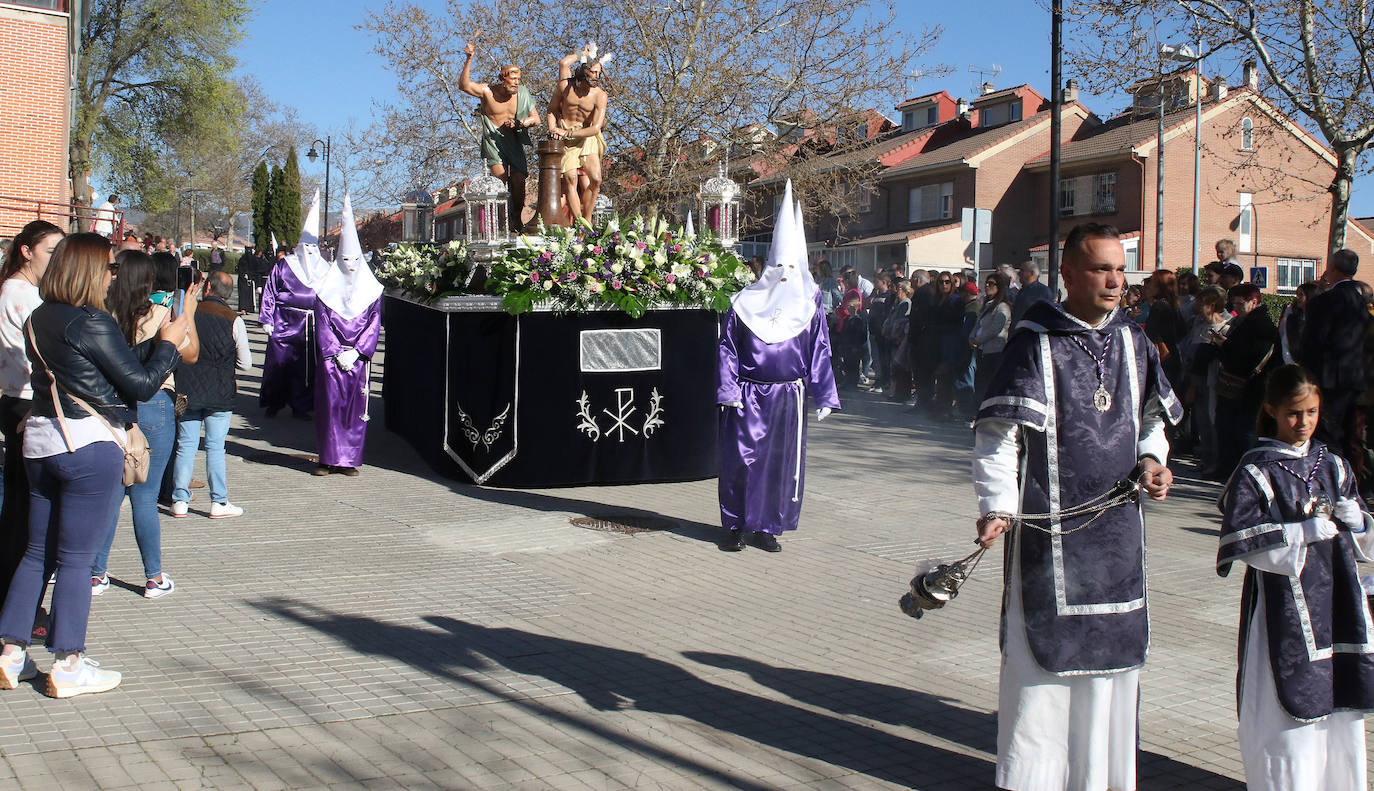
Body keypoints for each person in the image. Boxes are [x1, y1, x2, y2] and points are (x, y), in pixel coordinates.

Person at [972, 222, 1182, 790]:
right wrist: (998, 503)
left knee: (1111, 675)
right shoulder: (1036, 340)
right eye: (1100, 269)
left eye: (1119, 269)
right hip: (1050, 535)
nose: (1115, 280)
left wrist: (1152, 460)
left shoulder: (1135, 341)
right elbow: (999, 434)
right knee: (1041, 677)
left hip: (1118, 538)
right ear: (1067, 273)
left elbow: (1155, 419)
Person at [0, 233, 188, 697]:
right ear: (87, 270)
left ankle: (10, 652)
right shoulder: (91, 320)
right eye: (108, 268)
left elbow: (107, 371)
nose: (112, 276)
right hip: (86, 442)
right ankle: (68, 663)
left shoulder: (39, 316)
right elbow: (142, 385)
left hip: (42, 439)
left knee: (37, 551)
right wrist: (168, 343)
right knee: (77, 558)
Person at [1216, 363, 1374, 790]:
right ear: (1271, 410)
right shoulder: (1257, 469)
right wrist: (1298, 531)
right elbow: (1240, 536)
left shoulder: (1334, 465)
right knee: (1283, 717)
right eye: (1293, 413)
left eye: (1312, 412)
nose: (1303, 423)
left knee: (1339, 714)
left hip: (1338, 602)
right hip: (1282, 610)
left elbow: (1364, 542)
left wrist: (1358, 522)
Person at [716, 182, 838, 553]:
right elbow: (727, 349)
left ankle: (767, 527)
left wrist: (824, 393)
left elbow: (819, 348)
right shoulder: (743, 304)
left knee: (778, 464)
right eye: (779, 266)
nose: (785, 273)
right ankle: (735, 524)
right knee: (741, 460)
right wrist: (729, 389)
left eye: (791, 267)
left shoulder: (810, 305)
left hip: (789, 396)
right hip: (750, 393)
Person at [92, 251, 200, 597]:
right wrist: (189, 313)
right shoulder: (160, 313)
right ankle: (153, 577)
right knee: (145, 496)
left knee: (111, 495)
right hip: (155, 403)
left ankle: (96, 572)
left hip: (111, 404)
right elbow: (191, 352)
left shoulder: (100, 313)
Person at [0, 221, 63, 608]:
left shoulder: (25, 291)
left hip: (24, 397)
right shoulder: (19, 293)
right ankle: (18, 602)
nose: (55, 262)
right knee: (26, 511)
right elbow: (42, 353)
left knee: (24, 507)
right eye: (50, 253)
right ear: (27, 251)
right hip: (25, 399)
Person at [311, 194, 382, 477]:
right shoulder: (324, 292)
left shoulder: (372, 291)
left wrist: (359, 350)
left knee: (355, 409)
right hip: (332, 360)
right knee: (330, 408)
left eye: (355, 258)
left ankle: (350, 459)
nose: (351, 264)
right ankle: (327, 459)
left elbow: (375, 322)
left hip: (357, 359)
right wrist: (335, 351)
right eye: (346, 258)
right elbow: (322, 324)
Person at [260, 192, 331, 420]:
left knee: (305, 368)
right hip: (284, 322)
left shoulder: (325, 269)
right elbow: (270, 290)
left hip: (310, 327)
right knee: (279, 364)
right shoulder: (284, 266)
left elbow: (331, 298)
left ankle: (301, 405)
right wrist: (266, 319)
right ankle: (274, 401)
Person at [460, 36, 540, 232]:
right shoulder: (488, 92)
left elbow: (536, 118)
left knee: (519, 181)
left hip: (513, 140)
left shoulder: (522, 93)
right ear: (502, 79)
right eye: (512, 79)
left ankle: (517, 218)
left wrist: (521, 122)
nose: (516, 83)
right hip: (494, 142)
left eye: (518, 80)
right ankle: (502, 223)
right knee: (500, 181)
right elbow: (464, 85)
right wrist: (469, 58)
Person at [1301, 249, 1369, 464]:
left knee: (1328, 433)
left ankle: (1331, 477)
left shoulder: (1324, 302)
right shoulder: (1362, 302)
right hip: (1356, 376)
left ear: (1332, 269)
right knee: (1351, 435)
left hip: (1328, 378)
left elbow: (1313, 342)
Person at [1214, 284, 1281, 477]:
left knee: (1243, 431)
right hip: (1241, 386)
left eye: (1240, 303)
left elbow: (1249, 356)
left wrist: (1225, 346)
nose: (1236, 307)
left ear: (1253, 302)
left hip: (1249, 387)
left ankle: (1240, 471)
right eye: (1234, 303)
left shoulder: (1261, 324)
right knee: (1233, 429)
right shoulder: (1246, 321)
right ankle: (1229, 468)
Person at [548, 43, 609, 223]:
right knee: (570, 179)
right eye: (593, 72)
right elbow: (551, 109)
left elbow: (595, 128)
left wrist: (567, 134)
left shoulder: (600, 95)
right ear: (583, 71)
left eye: (599, 73)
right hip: (565, 133)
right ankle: (580, 222)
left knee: (596, 179)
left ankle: (587, 218)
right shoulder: (565, 87)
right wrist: (583, 53)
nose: (596, 76)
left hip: (587, 135)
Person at [969, 271, 1011, 407]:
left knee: (987, 383)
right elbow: (978, 324)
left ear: (999, 287)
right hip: (981, 351)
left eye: (991, 284)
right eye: (986, 283)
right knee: (980, 382)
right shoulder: (987, 305)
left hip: (994, 351)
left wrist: (978, 340)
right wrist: (971, 337)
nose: (987, 286)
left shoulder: (1002, 307)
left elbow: (995, 329)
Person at [1143, 269, 1188, 391]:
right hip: (1174, 358)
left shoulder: (1159, 307)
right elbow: (1183, 331)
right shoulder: (1173, 305)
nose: (1149, 285)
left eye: (1152, 282)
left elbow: (1150, 335)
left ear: (1160, 286)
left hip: (1163, 360)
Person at [1010, 260, 1052, 326]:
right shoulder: (1022, 291)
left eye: (1022, 270)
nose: (1018, 273)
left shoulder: (1042, 291)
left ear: (1031, 273)